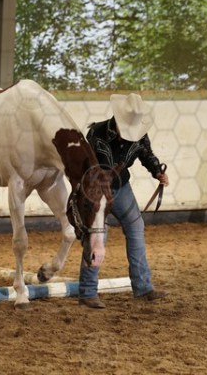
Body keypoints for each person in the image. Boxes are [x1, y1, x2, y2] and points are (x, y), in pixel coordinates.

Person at [79, 93, 169, 309]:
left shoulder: (140, 134)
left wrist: (157, 171)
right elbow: (85, 164)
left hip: (121, 187)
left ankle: (143, 287)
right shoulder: (96, 132)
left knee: (136, 227)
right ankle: (87, 292)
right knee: (97, 235)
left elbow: (147, 155)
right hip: (96, 189)